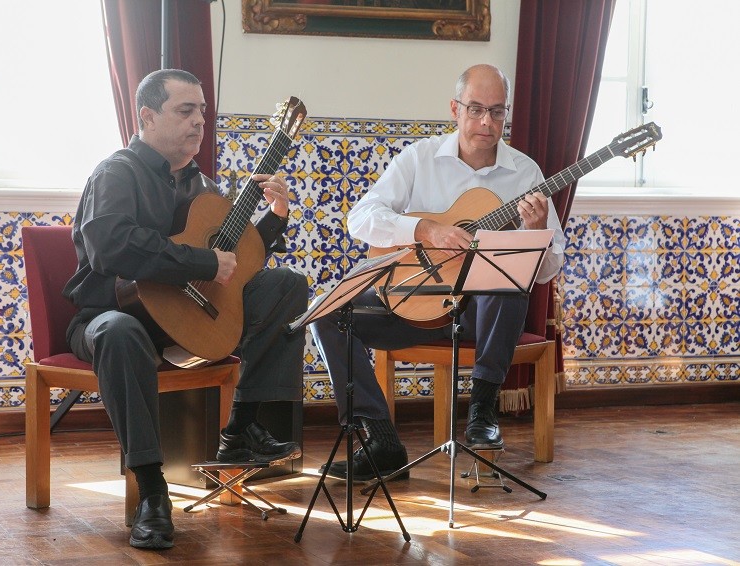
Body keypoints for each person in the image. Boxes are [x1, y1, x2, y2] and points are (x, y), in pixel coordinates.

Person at [62, 69, 308, 549]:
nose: (199, 121)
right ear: (147, 116)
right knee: (118, 331)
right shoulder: (116, 173)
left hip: (183, 320)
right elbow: (111, 248)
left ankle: (240, 428)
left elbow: (236, 261)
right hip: (110, 317)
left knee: (286, 285)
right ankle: (153, 490)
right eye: (185, 110)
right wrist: (200, 261)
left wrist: (274, 220)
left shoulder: (204, 187)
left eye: (202, 111)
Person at [311, 63, 566, 481]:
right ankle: (380, 439)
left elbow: (546, 270)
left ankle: (482, 410)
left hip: (481, 317)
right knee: (326, 312)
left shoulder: (526, 174)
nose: (487, 122)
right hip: (417, 303)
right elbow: (360, 218)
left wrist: (535, 234)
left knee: (507, 280)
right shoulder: (420, 158)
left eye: (497, 111)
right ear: (455, 108)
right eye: (476, 109)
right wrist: (425, 229)